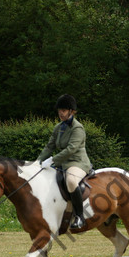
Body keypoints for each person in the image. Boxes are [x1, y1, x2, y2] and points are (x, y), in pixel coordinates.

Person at [37, 94, 93, 229]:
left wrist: (52, 160)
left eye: (63, 110)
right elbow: (49, 146)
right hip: (62, 163)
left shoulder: (77, 128)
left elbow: (71, 149)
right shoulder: (58, 127)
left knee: (71, 181)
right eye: (59, 110)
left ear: (71, 111)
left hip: (77, 162)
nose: (60, 113)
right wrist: (38, 162)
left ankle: (79, 216)